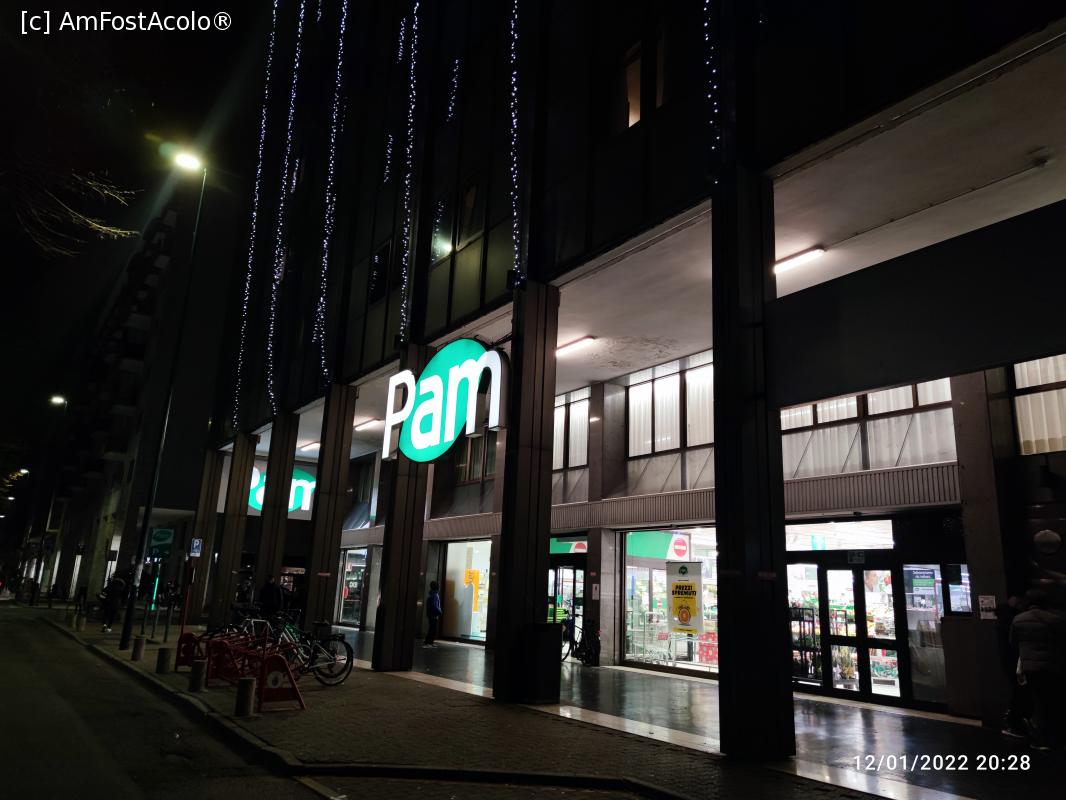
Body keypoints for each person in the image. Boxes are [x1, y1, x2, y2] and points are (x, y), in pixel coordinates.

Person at [1010, 589, 1066, 750]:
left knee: (1038, 701)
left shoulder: (1018, 619)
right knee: (1053, 702)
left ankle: (1040, 739)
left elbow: (1012, 642)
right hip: (1052, 666)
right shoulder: (1055, 619)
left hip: (1030, 668)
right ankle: (1054, 739)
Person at [423, 581, 442, 647]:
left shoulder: (432, 594)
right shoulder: (435, 595)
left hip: (431, 614)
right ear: (437, 587)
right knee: (432, 629)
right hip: (434, 615)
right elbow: (435, 605)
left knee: (432, 628)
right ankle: (428, 642)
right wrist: (439, 611)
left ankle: (429, 642)